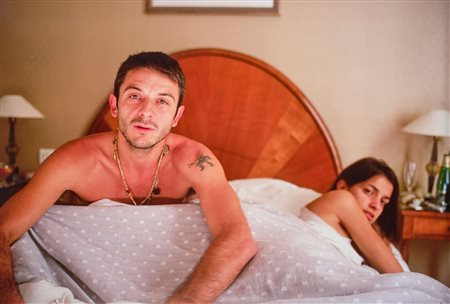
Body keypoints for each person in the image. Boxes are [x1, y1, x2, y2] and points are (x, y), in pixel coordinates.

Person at [0, 51, 258, 304]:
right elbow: (3, 228)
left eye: (162, 101)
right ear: (115, 105)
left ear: (177, 116)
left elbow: (238, 239)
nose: (146, 112)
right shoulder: (74, 159)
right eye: (135, 96)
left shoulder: (195, 160)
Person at [300, 157, 405, 273]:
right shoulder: (340, 198)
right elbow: (397, 274)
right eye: (368, 191)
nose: (376, 206)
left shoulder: (367, 232)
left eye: (383, 201)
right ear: (342, 187)